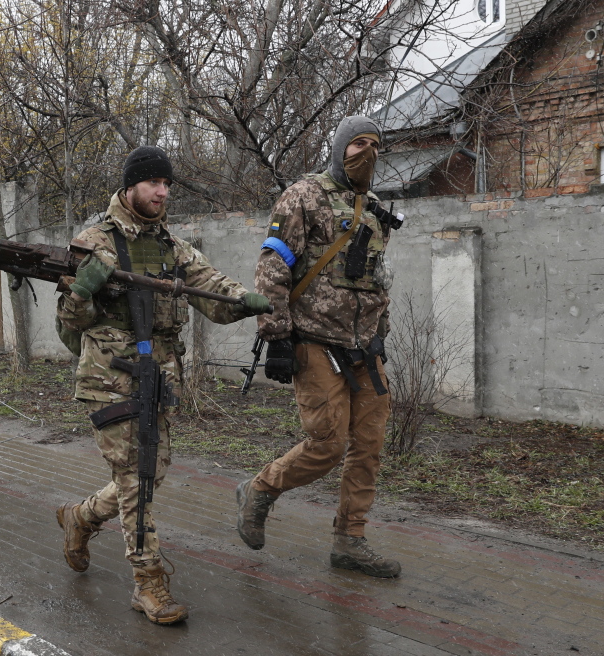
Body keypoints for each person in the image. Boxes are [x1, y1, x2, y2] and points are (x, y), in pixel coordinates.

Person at [55, 145, 272, 624]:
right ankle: (148, 581)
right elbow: (69, 326)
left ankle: (82, 516)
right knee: (138, 479)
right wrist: (83, 289)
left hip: (157, 378)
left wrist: (245, 300)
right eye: (154, 182)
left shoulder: (173, 247)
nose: (163, 191)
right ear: (131, 185)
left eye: (168, 184)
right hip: (111, 381)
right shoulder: (94, 241)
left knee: (148, 475)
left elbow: (211, 287)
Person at [236, 116, 401, 578]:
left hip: (364, 346)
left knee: (368, 445)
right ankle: (260, 490)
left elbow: (377, 279)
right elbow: (273, 267)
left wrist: (381, 332)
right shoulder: (304, 195)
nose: (366, 153)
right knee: (329, 442)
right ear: (339, 148)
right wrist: (278, 336)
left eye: (374, 144)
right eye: (357, 144)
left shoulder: (375, 208)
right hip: (313, 339)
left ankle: (350, 540)